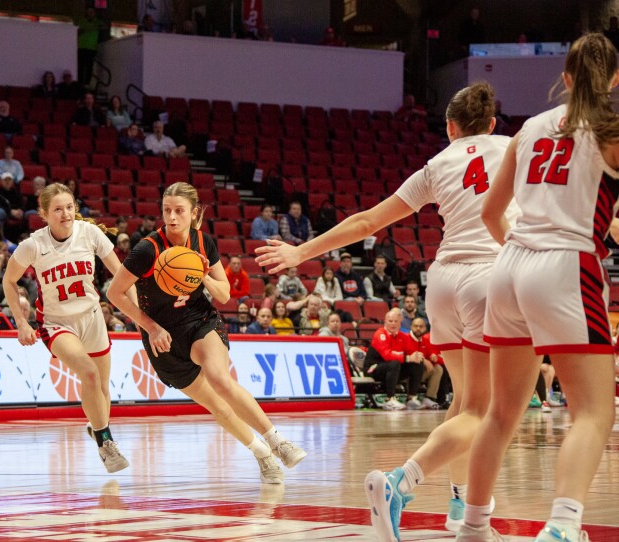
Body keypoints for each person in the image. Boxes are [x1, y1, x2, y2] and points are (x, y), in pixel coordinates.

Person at [253, 82, 515, 540]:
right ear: (493, 124)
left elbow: (367, 222)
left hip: (443, 282)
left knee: (463, 400)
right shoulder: (513, 147)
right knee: (483, 408)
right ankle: (401, 482)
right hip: (487, 276)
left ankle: (461, 503)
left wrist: (301, 253)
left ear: (450, 127)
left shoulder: (439, 163)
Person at [460, 35, 619, 542]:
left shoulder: (528, 128)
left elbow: (490, 212)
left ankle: (473, 526)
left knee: (500, 412)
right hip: (566, 266)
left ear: (566, 77)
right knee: (594, 412)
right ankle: (564, 525)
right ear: (614, 80)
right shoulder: (614, 130)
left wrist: (525, 261)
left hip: (509, 264)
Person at [107, 181, 307, 485]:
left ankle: (277, 441)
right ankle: (261, 454)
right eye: (166, 211)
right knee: (217, 406)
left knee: (220, 378)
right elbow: (115, 293)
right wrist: (150, 326)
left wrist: (203, 276)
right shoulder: (148, 248)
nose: (172, 217)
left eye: (179, 211)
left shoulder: (203, 243)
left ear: (193, 212)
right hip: (161, 333)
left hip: (198, 318)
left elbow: (225, 295)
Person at [2, 182, 132, 473]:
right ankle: (106, 442)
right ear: (44, 214)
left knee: (101, 387)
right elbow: (8, 281)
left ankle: (95, 425)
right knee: (88, 372)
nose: (65, 214)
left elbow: (122, 275)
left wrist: (141, 315)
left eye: (70, 207)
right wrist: (21, 323)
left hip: (93, 317)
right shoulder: (33, 245)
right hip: (56, 322)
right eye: (58, 209)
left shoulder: (90, 233)